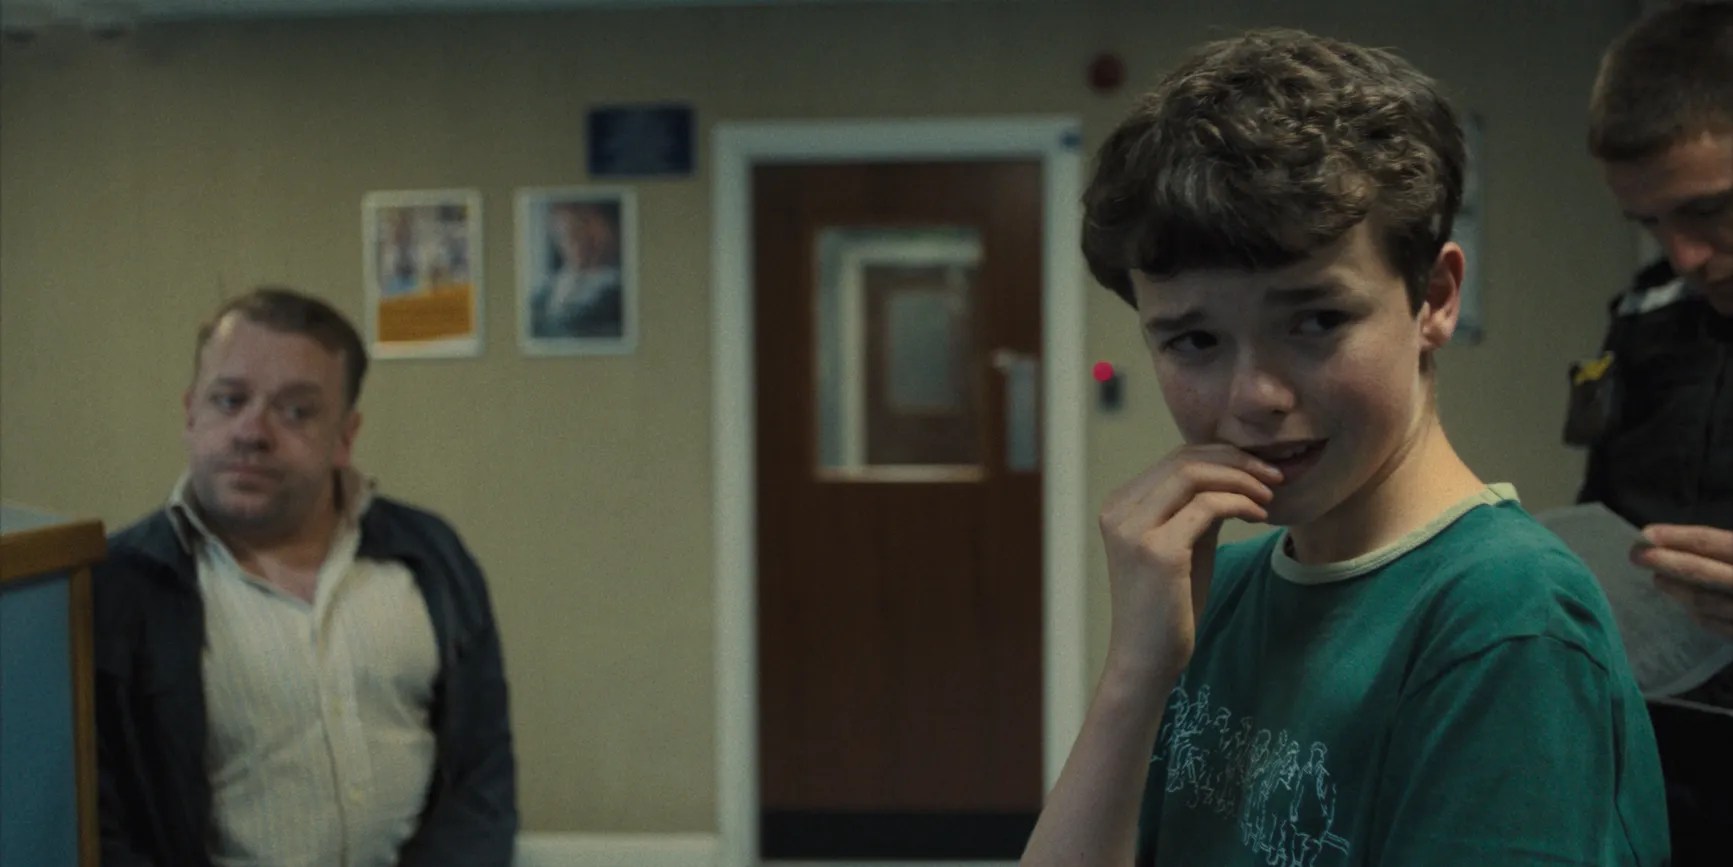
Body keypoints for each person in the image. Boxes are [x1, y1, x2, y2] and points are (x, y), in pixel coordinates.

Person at [1020, 28, 1668, 866]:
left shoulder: (1506, 618)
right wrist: (1131, 677)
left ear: (1434, 297)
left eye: (1316, 321)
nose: (1253, 396)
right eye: (1193, 340)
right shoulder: (1222, 588)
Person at [93, 287, 517, 866]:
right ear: (190, 413)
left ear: (345, 437)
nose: (252, 431)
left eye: (295, 410)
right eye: (229, 400)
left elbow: (481, 778)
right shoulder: (118, 588)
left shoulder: (432, 559)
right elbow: (103, 824)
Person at [1575, 1, 1733, 859]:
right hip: (1657, 771)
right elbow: (1603, 504)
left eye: (1710, 211)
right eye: (1650, 223)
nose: (1684, 256)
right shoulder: (1646, 313)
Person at [528, 201, 624, 339]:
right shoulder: (548, 289)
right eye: (564, 236)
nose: (576, 243)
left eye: (580, 231)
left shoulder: (616, 289)